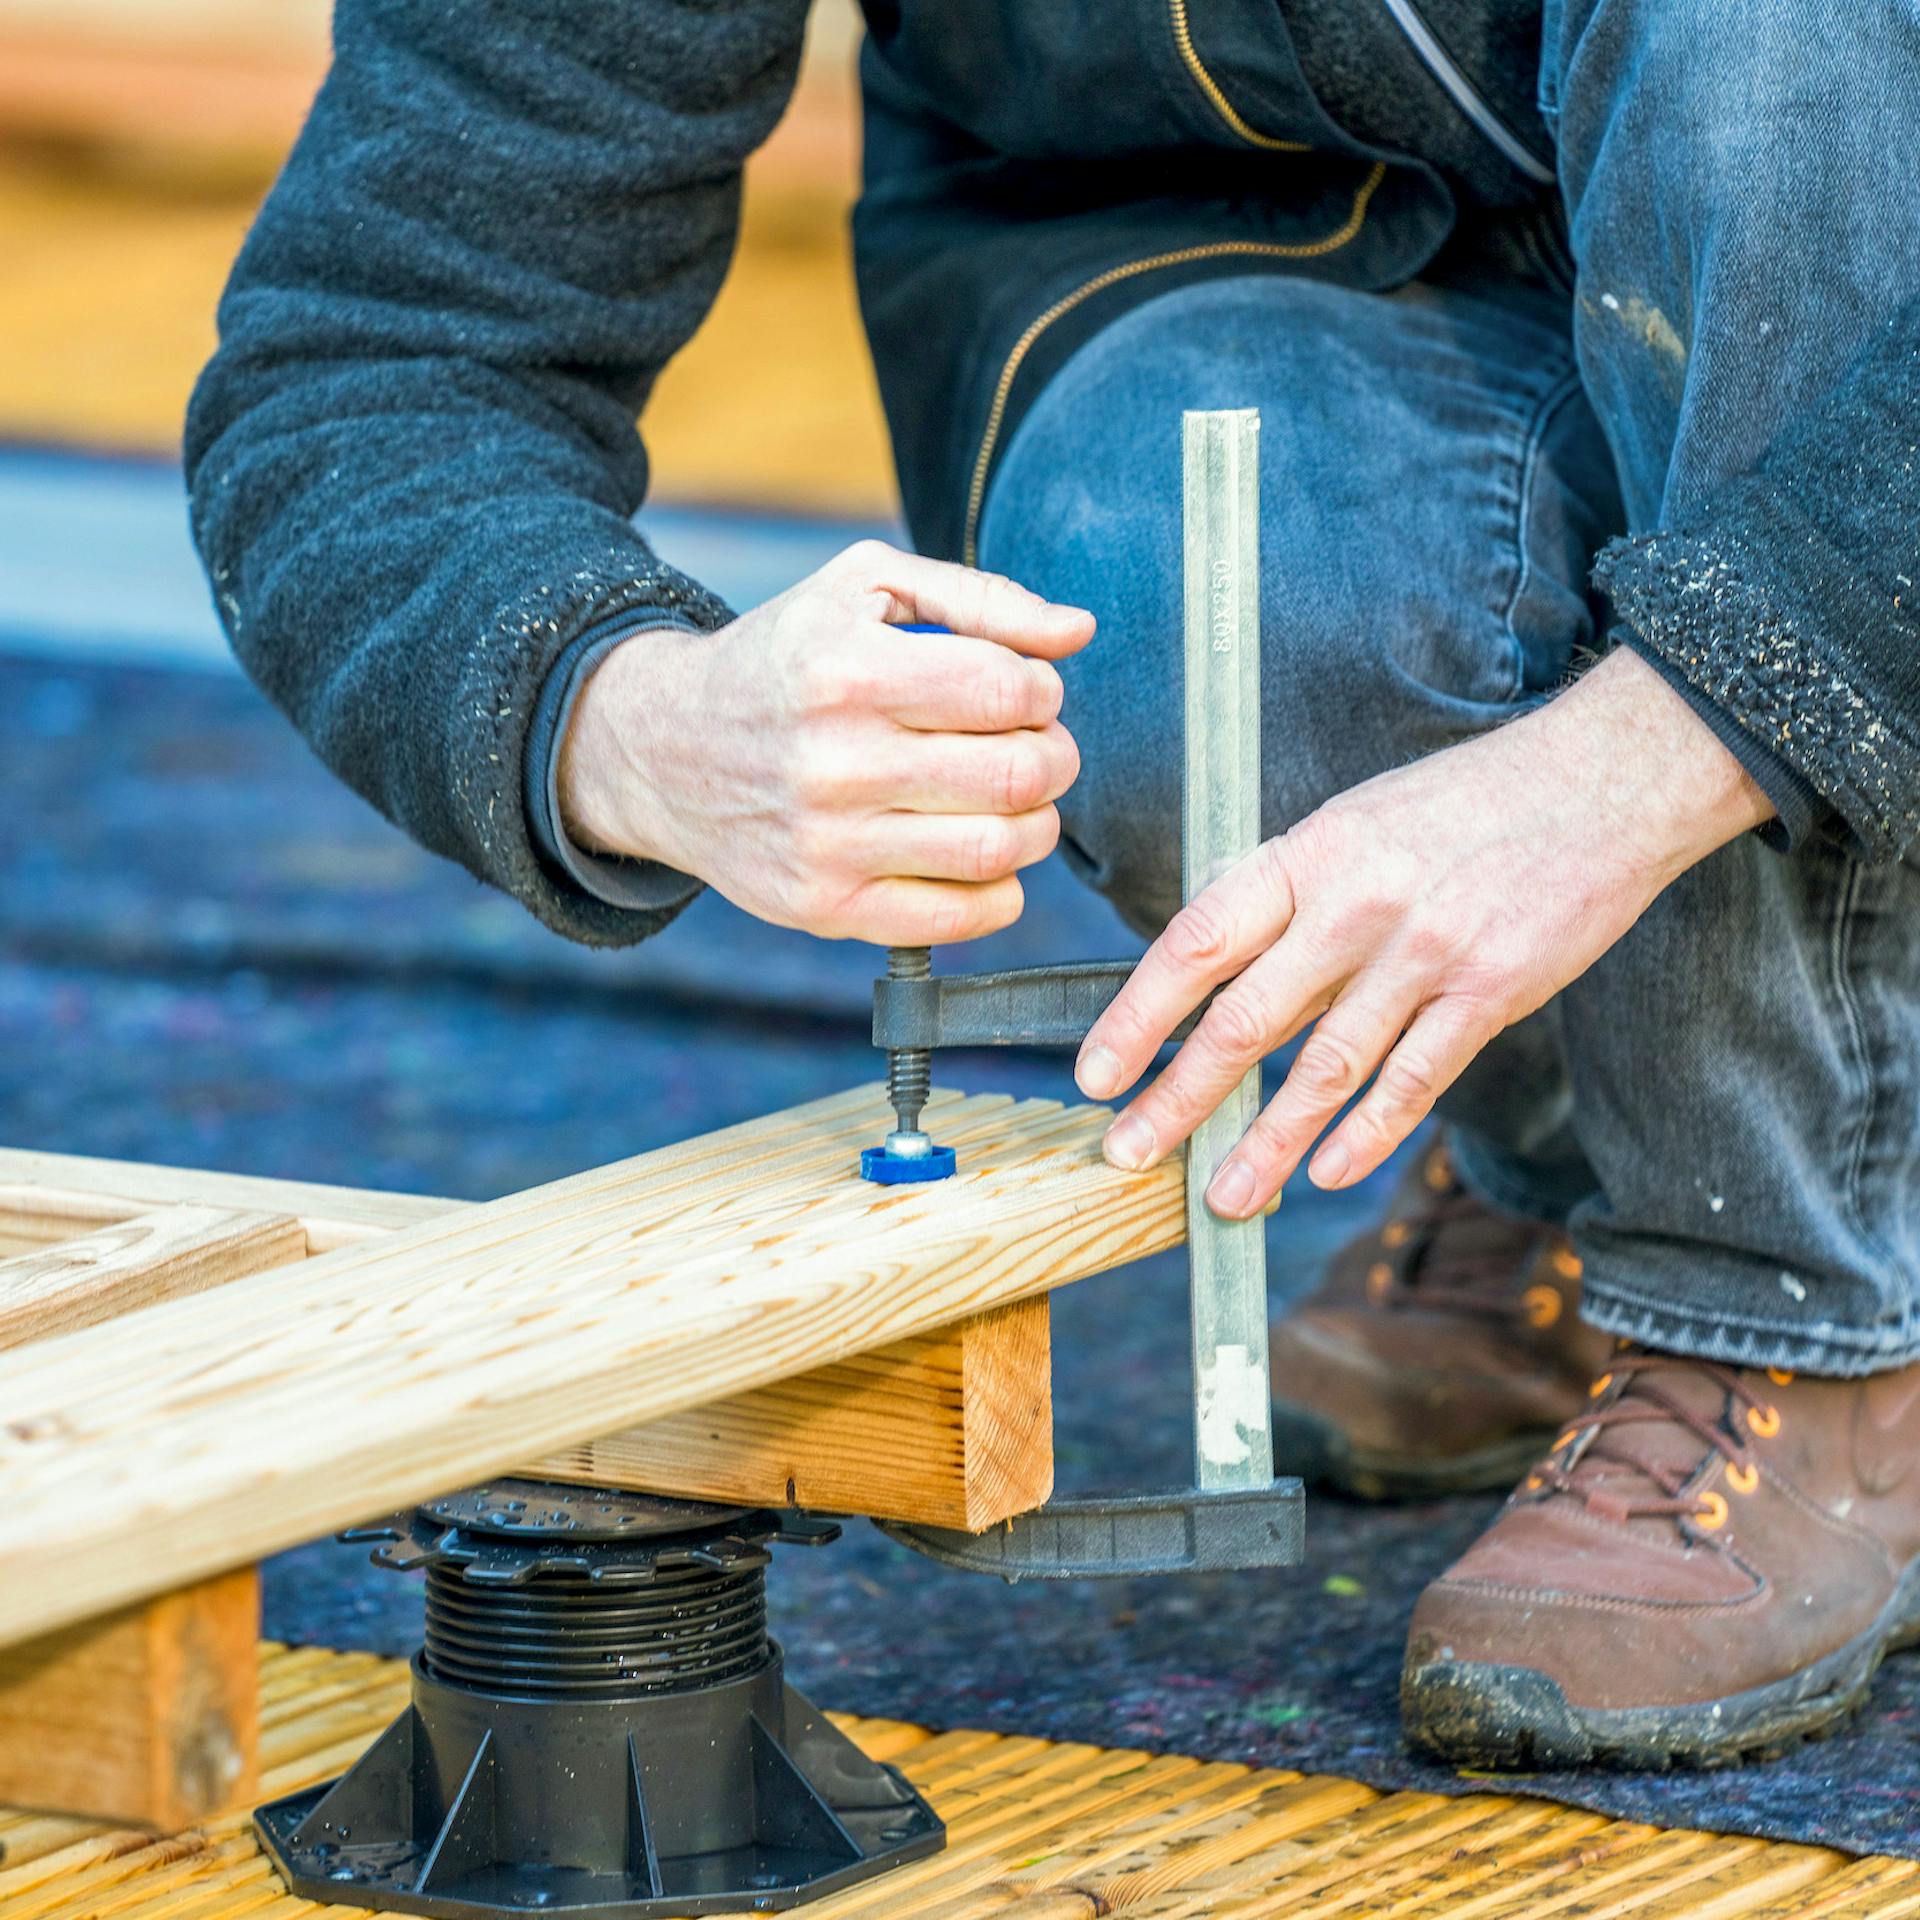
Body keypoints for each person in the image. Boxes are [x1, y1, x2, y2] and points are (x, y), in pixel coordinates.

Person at [187, 0, 1920, 1769]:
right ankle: (1572, 1150)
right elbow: (378, 363)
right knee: (1184, 611)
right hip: (1232, 242)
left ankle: (1803, 1304)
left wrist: (1628, 765)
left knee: (1779, 46)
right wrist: (639, 724)